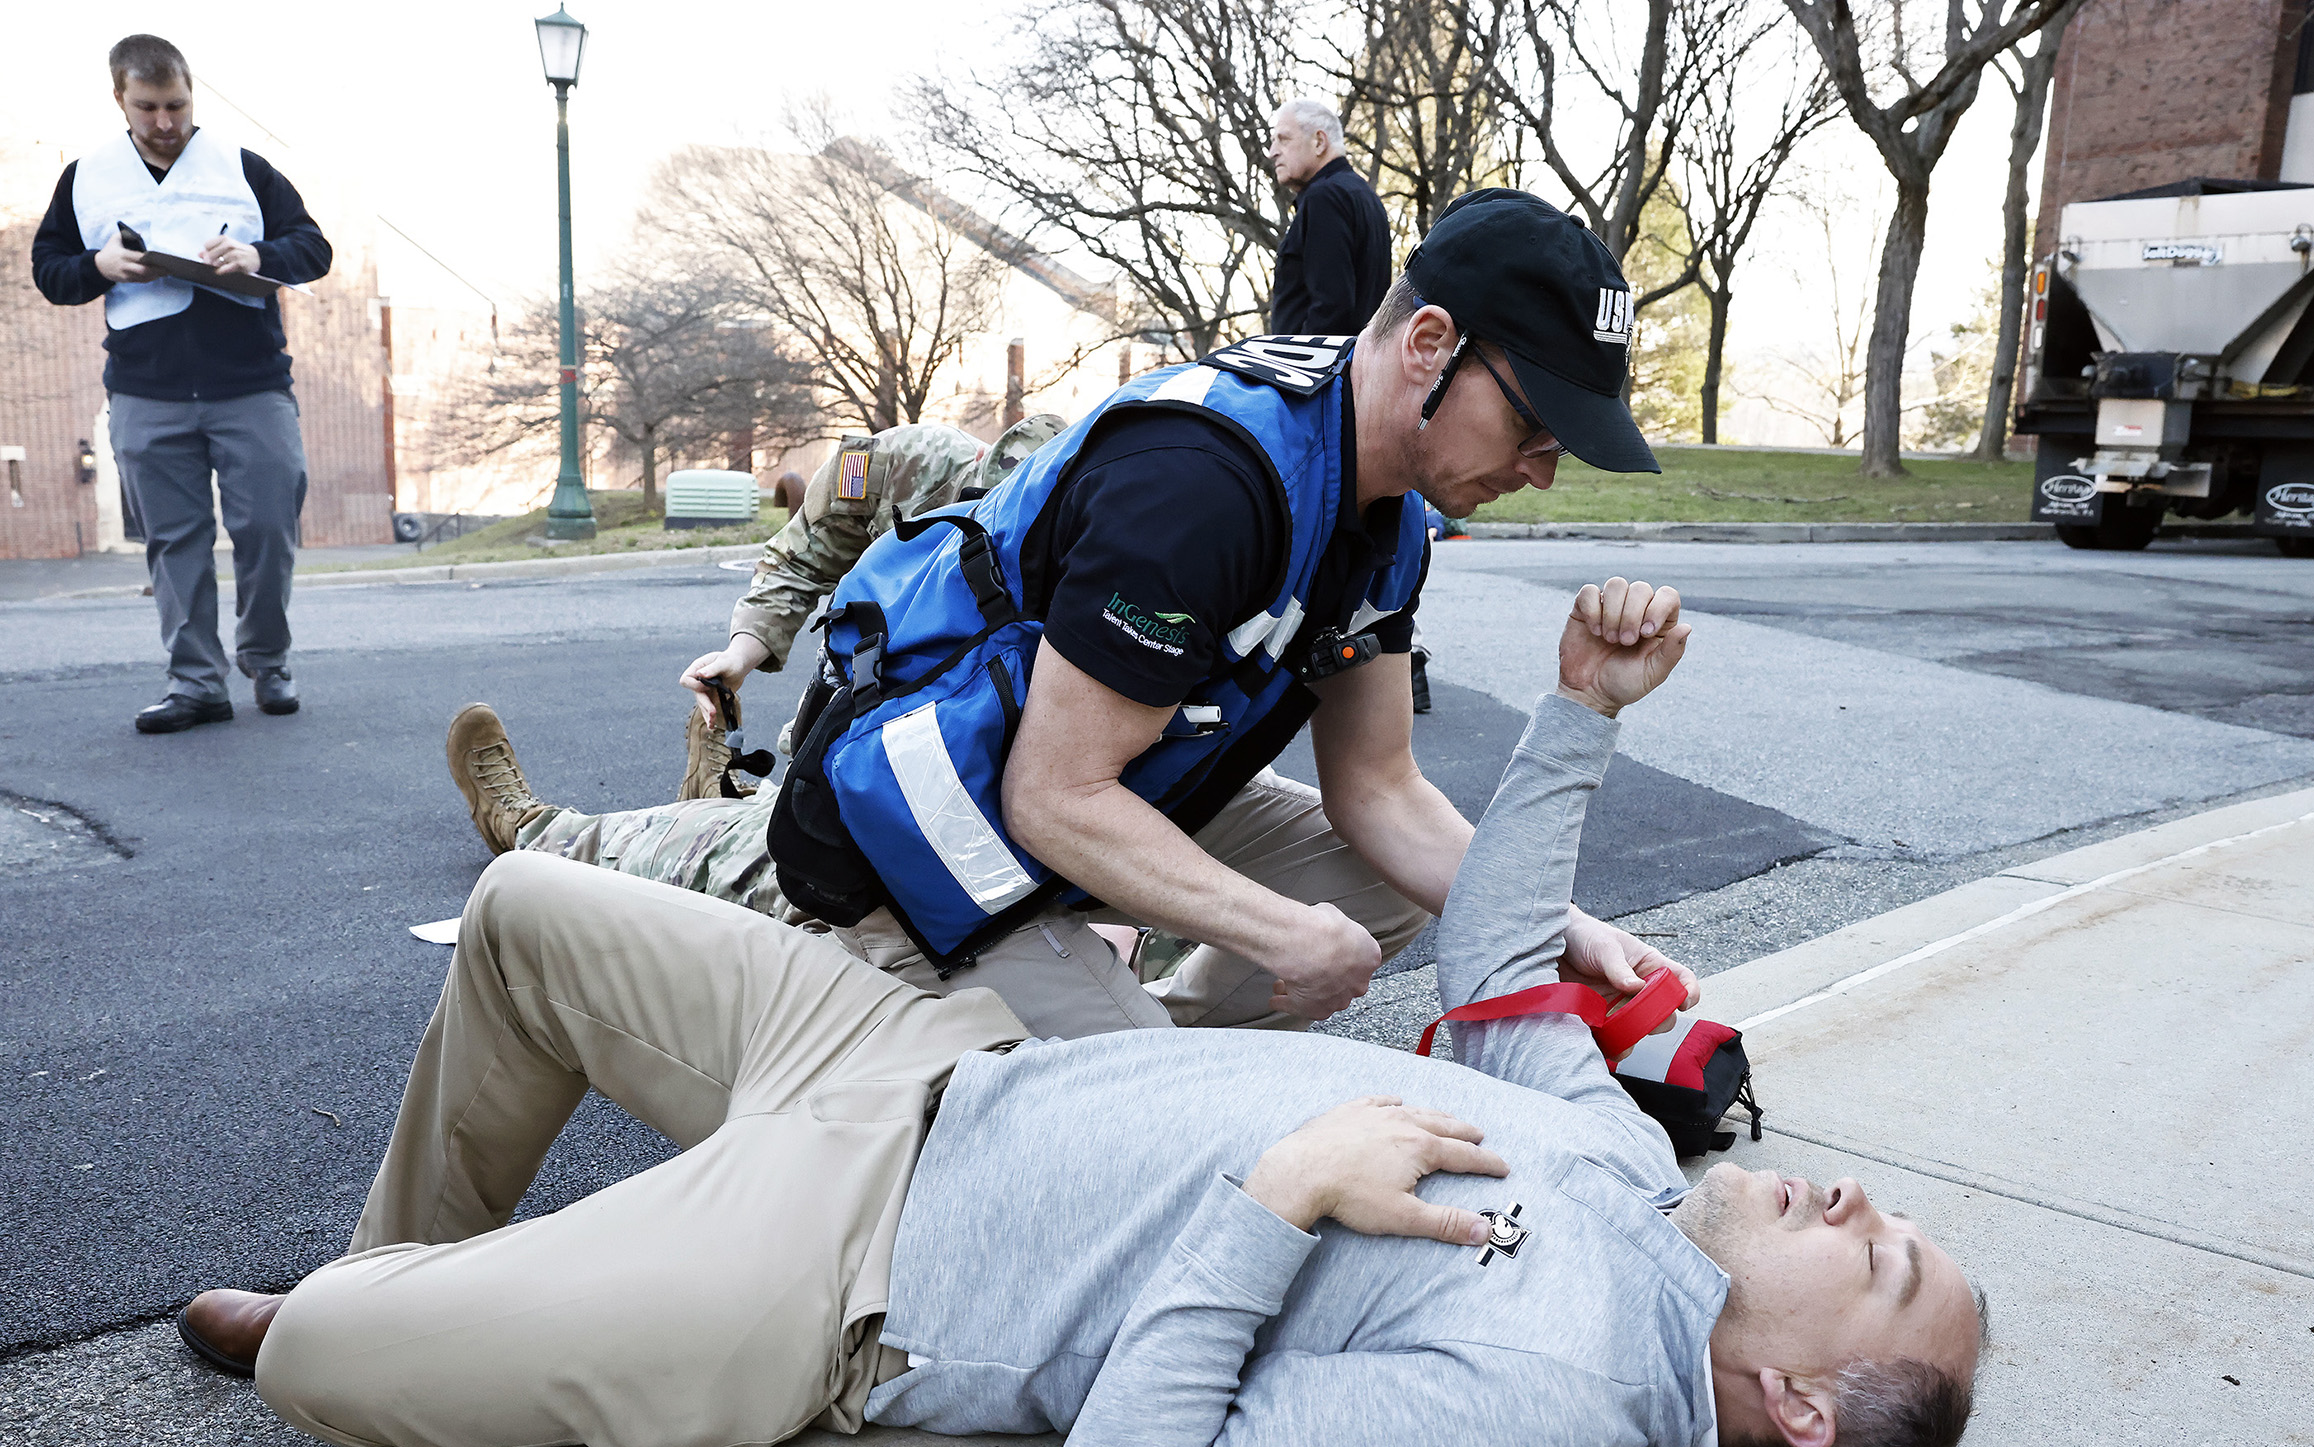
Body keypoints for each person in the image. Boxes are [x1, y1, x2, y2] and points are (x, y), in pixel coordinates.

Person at [176, 580, 1986, 1447]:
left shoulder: (1549, 1424)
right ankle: (396, 1254)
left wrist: (1283, 1203)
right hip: (924, 1057)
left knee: (335, 1365)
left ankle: (353, 1318)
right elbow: (1499, 963)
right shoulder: (1611, 1151)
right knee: (527, 908)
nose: (1856, 1200)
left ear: (1800, 1409)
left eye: (1882, 1261)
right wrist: (1584, 713)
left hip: (851, 1274)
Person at [768, 187, 1669, 1045]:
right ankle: (1006, 1034)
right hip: (932, 839)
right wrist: (1283, 935)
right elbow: (1053, 797)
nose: (1543, 470)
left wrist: (1563, 927)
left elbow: (1380, 788)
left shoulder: (1388, 518)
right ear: (1430, 343)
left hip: (1071, 798)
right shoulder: (1203, 485)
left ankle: (1145, 1038)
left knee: (1383, 893)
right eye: (1533, 427)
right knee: (1165, 1110)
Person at [441, 416, 1065, 924]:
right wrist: (743, 651)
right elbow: (801, 557)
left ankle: (549, 828)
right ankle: (707, 807)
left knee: (760, 863)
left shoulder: (1082, 582)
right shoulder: (906, 464)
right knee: (761, 833)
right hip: (848, 731)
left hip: (937, 801)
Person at [27, 35, 332, 734]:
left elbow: (313, 247)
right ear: (119, 99)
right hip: (146, 390)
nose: (165, 122)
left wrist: (257, 253)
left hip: (251, 384)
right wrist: (99, 265)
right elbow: (50, 270)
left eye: (177, 104)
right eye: (149, 107)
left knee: (268, 527)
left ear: (194, 94)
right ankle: (196, 682)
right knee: (175, 540)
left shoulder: (243, 167)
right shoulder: (85, 177)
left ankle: (267, 658)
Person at [1267, 100, 1392, 338]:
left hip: (1315, 369)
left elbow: (1331, 308)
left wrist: (1296, 361)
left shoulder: (1324, 197)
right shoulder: (1362, 195)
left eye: (1283, 139)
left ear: (1319, 142)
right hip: (1354, 363)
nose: (1273, 152)